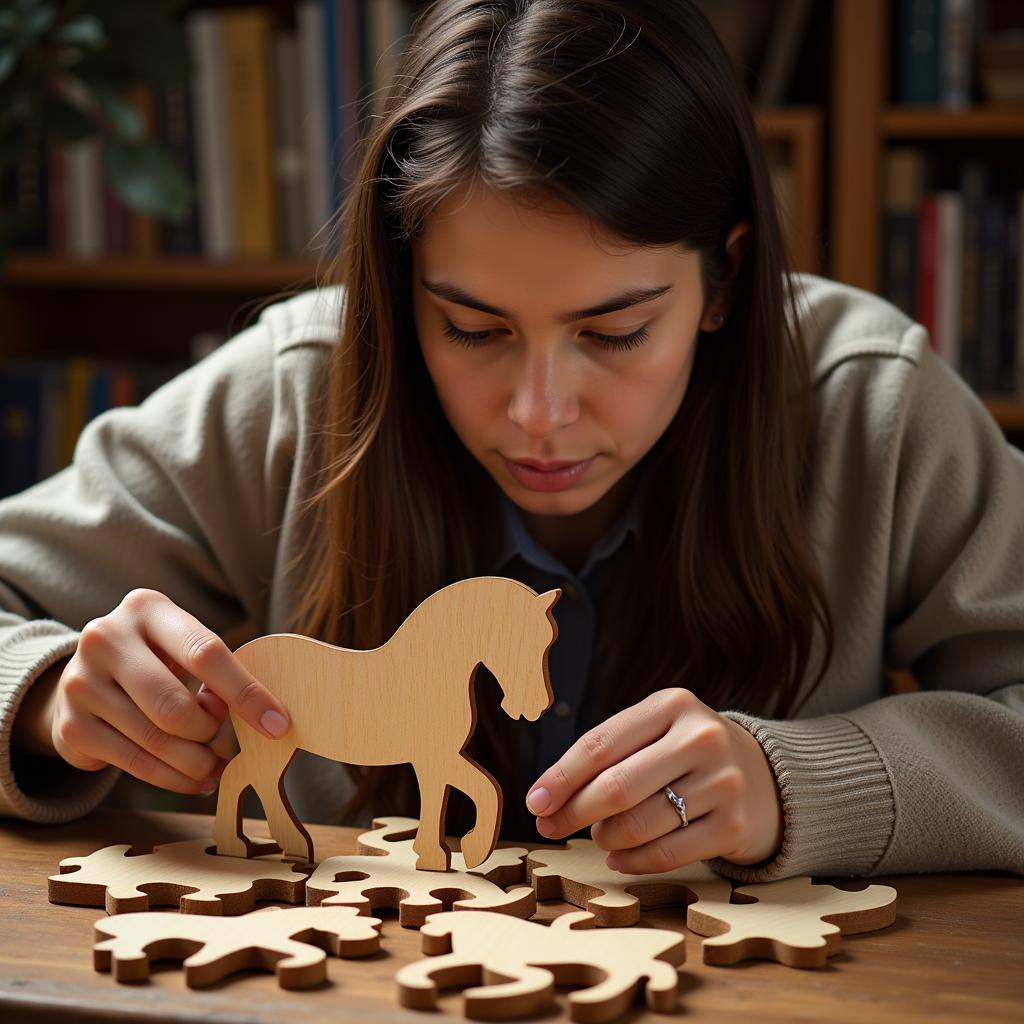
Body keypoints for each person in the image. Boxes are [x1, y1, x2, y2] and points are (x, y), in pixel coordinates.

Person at [2, 0, 1022, 884]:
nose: (538, 411)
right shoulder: (291, 392)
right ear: (406, 287)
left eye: (615, 332)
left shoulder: (874, 405)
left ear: (723, 279)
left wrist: (800, 782)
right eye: (472, 328)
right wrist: (49, 697)